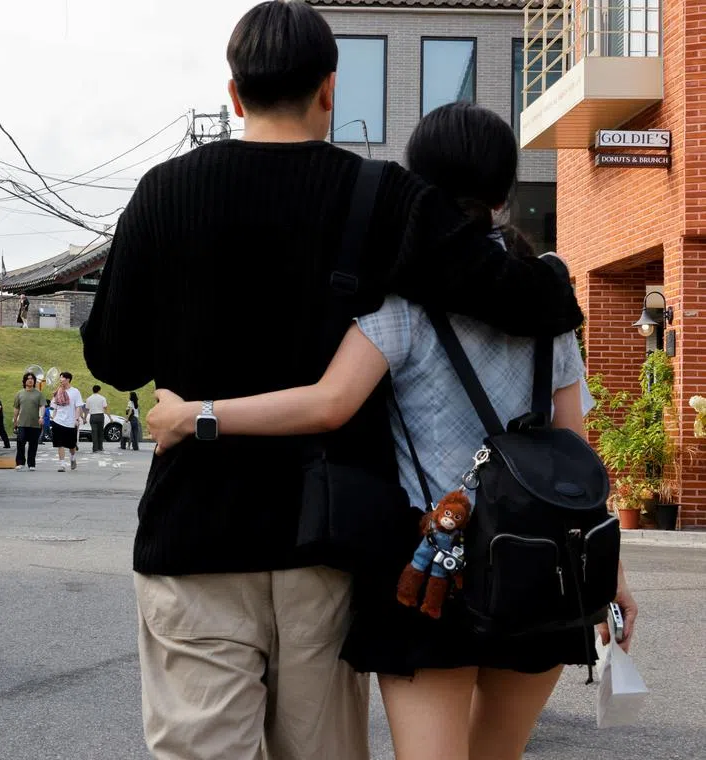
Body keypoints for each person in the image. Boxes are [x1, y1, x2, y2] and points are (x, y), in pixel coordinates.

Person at [79, 3, 584, 758]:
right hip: (326, 538)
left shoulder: (162, 191)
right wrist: (557, 293)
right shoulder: (380, 195)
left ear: (234, 94)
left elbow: (112, 359)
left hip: (193, 533)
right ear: (330, 90)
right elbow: (524, 296)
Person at [145, 102, 639, 760]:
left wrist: (197, 414)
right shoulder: (547, 297)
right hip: (542, 572)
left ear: (418, 186)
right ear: (504, 192)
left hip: (433, 578)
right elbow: (574, 454)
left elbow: (327, 404)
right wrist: (612, 575)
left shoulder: (402, 302)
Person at [50, 371, 84, 472]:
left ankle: (73, 458)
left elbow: (78, 407)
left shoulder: (75, 392)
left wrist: (77, 419)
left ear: (68, 379)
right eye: (60, 378)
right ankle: (62, 464)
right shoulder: (58, 391)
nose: (60, 380)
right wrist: (53, 418)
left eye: (62, 378)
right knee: (59, 444)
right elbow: (54, 407)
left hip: (70, 422)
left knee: (71, 445)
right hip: (58, 421)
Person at [14, 372, 45, 471]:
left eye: (32, 379)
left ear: (34, 381)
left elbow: (42, 406)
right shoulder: (19, 393)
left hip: (35, 424)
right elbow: (16, 408)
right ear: (24, 381)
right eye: (28, 378)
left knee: (33, 444)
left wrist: (41, 417)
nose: (30, 380)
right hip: (22, 423)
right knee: (20, 443)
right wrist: (15, 420)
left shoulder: (38, 393)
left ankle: (31, 464)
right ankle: (20, 462)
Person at [85, 385, 110, 452]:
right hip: (100, 416)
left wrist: (84, 418)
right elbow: (105, 408)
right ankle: (100, 447)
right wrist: (110, 417)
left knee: (94, 433)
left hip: (93, 417)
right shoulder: (102, 398)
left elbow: (86, 409)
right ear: (99, 390)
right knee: (100, 432)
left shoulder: (88, 399)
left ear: (93, 390)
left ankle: (95, 448)